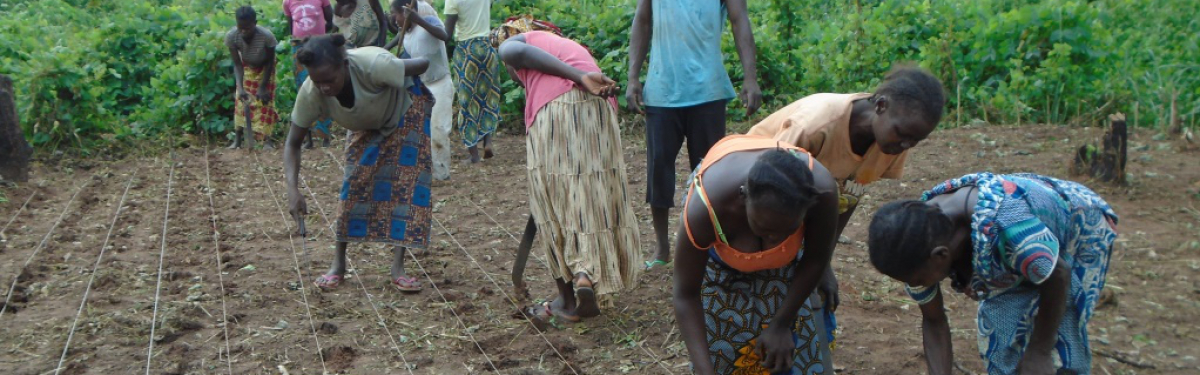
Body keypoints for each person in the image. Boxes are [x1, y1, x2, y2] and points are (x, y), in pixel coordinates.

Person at [745, 65, 947, 350]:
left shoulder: (891, 144)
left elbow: (849, 196)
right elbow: (767, 189)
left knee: (810, 297)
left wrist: (823, 260)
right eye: (902, 134)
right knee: (765, 288)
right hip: (758, 203)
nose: (906, 145)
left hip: (800, 212)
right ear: (880, 105)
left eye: (915, 140)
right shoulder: (816, 127)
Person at [867, 173, 1118, 375]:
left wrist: (1038, 352)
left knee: (1059, 350)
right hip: (1016, 260)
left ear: (941, 256)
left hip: (1078, 228)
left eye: (917, 280)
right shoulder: (915, 245)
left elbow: (1059, 275)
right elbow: (934, 321)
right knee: (1001, 344)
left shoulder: (1009, 226)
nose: (915, 285)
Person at [492, 20, 642, 323]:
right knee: (591, 197)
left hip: (559, 109)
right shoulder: (572, 48)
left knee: (550, 200)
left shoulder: (522, 39)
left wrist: (576, 77)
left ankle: (566, 298)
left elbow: (511, 50)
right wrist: (580, 77)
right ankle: (586, 274)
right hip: (599, 112)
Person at [673, 135, 840, 374]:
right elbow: (685, 294)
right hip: (721, 259)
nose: (776, 240)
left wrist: (781, 324)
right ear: (743, 197)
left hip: (786, 257)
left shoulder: (821, 191)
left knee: (795, 353)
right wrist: (703, 370)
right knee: (721, 351)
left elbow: (815, 258)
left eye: (789, 231)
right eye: (765, 229)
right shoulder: (707, 207)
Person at [283, 34, 433, 292]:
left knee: (405, 185)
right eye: (319, 82)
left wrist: (400, 65)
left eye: (330, 80)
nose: (325, 88)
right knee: (352, 185)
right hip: (366, 123)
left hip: (404, 110)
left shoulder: (374, 65)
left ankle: (398, 267)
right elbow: (292, 143)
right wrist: (292, 190)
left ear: (344, 63)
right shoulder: (312, 90)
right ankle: (338, 266)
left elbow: (424, 63)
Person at [627, 0, 763, 271]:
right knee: (659, 171)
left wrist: (751, 77)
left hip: (708, 91)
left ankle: (706, 242)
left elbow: (740, 21)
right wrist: (633, 77)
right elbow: (642, 21)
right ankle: (662, 247)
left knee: (710, 175)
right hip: (662, 90)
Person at [385, 0, 454, 181]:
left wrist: (418, 19)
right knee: (420, 133)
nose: (394, 18)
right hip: (421, 87)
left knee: (438, 130)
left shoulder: (429, 21)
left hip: (439, 83)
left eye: (395, 14)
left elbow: (444, 35)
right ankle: (424, 172)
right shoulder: (406, 34)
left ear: (406, 11)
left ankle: (441, 175)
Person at [444, 0, 499, 163]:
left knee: (467, 102)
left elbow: (447, 34)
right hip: (487, 48)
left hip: (467, 51)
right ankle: (487, 142)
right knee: (487, 97)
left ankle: (474, 154)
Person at [283, 0, 336, 148]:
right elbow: (290, 25)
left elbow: (329, 19)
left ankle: (325, 137)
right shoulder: (288, 1)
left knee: (324, 87)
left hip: (319, 45)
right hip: (299, 47)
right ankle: (308, 139)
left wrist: (318, 39)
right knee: (303, 91)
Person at [226, 6, 280, 149]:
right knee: (240, 101)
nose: (243, 32)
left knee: (265, 102)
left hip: (265, 68)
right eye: (240, 28)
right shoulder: (232, 36)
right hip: (246, 67)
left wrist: (263, 87)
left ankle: (267, 140)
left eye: (247, 28)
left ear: (255, 23)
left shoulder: (267, 36)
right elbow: (237, 64)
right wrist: (241, 87)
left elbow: (270, 62)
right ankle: (237, 139)